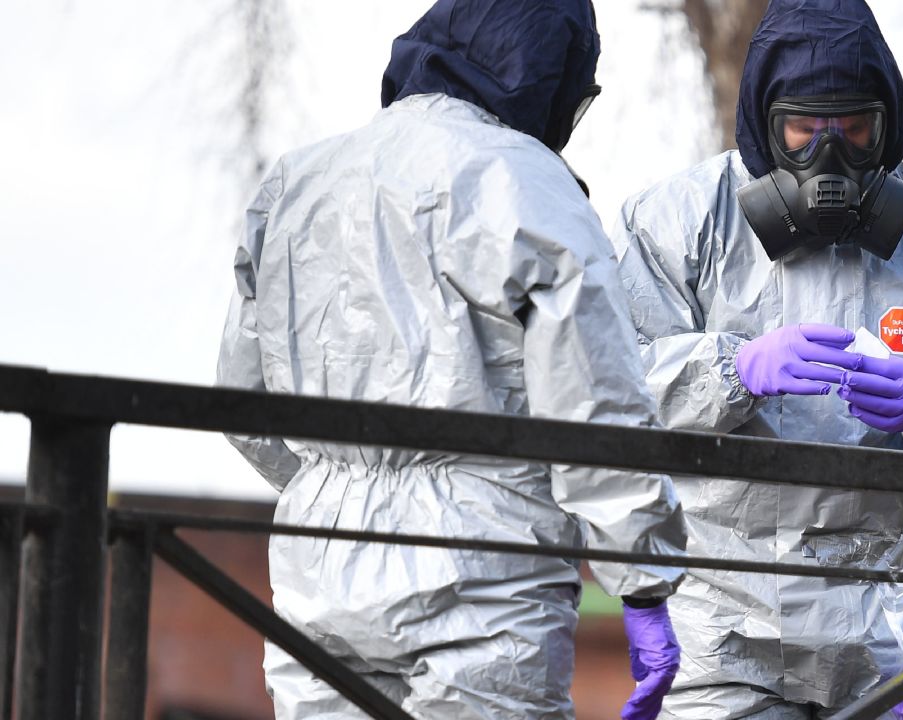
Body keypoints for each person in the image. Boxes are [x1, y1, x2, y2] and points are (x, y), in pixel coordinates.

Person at [216, 1, 686, 718]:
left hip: (320, 561)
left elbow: (243, 403)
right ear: (549, 76)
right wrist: (642, 576)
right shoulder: (526, 183)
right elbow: (595, 402)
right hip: (483, 567)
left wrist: (334, 481)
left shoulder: (296, 182)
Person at [609, 0, 903, 718]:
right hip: (725, 616)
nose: (828, 157)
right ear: (764, 124)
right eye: (805, 130)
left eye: (854, 131)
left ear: (888, 126)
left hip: (894, 617)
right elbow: (611, 384)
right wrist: (729, 370)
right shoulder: (680, 221)